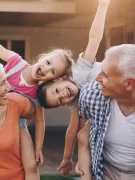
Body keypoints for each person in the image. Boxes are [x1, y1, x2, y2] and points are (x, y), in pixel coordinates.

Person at [0, 4, 74, 180]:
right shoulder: (16, 62)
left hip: (17, 125)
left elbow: (40, 119)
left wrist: (38, 148)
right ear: (43, 57)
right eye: (48, 63)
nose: (46, 69)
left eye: (53, 72)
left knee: (31, 164)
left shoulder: (38, 91)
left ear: (53, 79)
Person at [37, 0, 110, 179]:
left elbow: (94, 39)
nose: (64, 95)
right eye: (61, 101)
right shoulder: (78, 102)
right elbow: (72, 129)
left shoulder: (79, 73)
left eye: (57, 91)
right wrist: (67, 157)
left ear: (59, 79)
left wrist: (102, 6)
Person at [75, 44, 135, 180]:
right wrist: (84, 158)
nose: (97, 78)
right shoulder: (91, 94)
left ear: (129, 84)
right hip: (106, 170)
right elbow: (83, 124)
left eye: (105, 75)